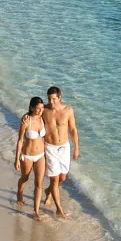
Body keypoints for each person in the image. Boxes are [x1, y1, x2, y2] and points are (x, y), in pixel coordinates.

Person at [43, 85, 79, 218]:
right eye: (49, 99)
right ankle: (59, 209)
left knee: (63, 177)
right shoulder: (44, 110)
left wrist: (76, 147)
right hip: (50, 147)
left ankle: (49, 191)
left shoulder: (68, 110)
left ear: (59, 97)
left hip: (64, 147)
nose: (51, 102)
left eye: (53, 99)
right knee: (54, 179)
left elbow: (73, 129)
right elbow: (33, 117)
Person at [14, 96, 49, 218]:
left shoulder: (43, 118)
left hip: (40, 155)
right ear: (31, 108)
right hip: (27, 155)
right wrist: (17, 159)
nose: (40, 110)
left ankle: (36, 211)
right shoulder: (26, 120)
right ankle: (19, 193)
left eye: (42, 108)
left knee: (39, 183)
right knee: (25, 177)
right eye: (38, 108)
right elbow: (20, 141)